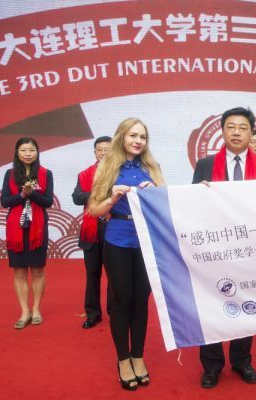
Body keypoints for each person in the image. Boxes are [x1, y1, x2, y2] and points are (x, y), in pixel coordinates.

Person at [192, 107, 256, 389]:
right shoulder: (205, 165)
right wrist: (199, 194)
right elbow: (191, 208)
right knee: (212, 303)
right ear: (222, 131)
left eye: (242, 127)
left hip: (250, 248)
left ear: (251, 132)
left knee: (246, 301)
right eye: (231, 127)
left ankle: (242, 360)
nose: (237, 132)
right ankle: (212, 364)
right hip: (216, 248)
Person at [88, 118, 165, 391]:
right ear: (122, 137)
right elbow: (94, 210)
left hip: (146, 242)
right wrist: (112, 199)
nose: (138, 141)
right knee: (122, 302)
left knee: (141, 300)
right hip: (117, 239)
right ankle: (123, 360)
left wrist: (155, 194)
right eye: (133, 135)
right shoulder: (107, 167)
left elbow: (164, 207)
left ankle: (138, 356)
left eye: (142, 137)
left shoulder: (152, 168)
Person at [0, 137, 53, 329]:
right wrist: (22, 195)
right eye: (23, 150)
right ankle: (24, 311)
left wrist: (32, 193)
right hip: (16, 228)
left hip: (37, 228)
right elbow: (5, 201)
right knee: (19, 271)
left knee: (38, 270)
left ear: (37, 152)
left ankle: (36, 309)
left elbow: (48, 202)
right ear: (17, 152)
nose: (28, 154)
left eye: (32, 150)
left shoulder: (46, 173)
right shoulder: (10, 174)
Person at [72, 136, 113, 329]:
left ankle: (115, 311)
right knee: (92, 274)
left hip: (113, 228)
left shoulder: (120, 172)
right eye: (99, 149)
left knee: (115, 274)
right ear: (95, 152)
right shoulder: (84, 174)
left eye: (107, 149)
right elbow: (77, 197)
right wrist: (97, 194)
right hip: (91, 231)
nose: (103, 153)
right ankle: (93, 313)